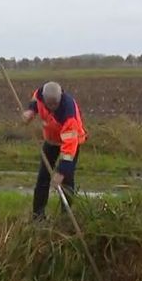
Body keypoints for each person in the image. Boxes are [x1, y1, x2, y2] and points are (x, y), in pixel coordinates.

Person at [22, 81, 87, 221]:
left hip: (71, 142)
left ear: (60, 98)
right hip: (51, 141)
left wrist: (62, 172)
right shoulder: (41, 95)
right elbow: (35, 99)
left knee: (67, 181)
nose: (52, 107)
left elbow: (69, 150)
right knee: (43, 178)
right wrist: (31, 111)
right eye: (49, 104)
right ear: (44, 99)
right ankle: (38, 217)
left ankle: (66, 219)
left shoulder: (69, 114)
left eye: (55, 104)